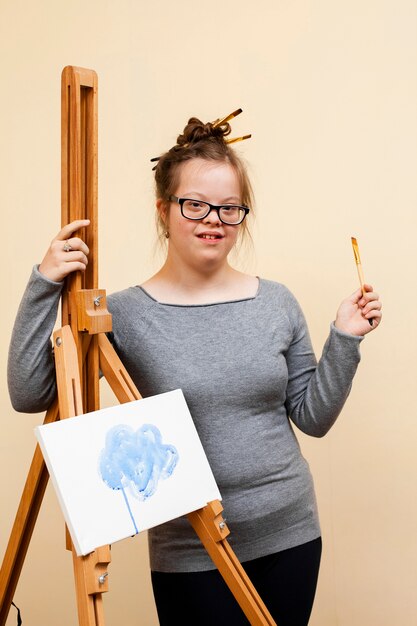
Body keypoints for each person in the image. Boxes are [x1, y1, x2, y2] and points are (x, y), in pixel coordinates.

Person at [8, 113, 382, 626]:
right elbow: (29, 391)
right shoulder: (121, 314)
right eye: (196, 204)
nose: (214, 220)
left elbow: (312, 417)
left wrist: (344, 338)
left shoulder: (277, 303)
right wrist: (43, 284)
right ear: (164, 210)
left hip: (291, 534)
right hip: (191, 550)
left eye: (230, 208)